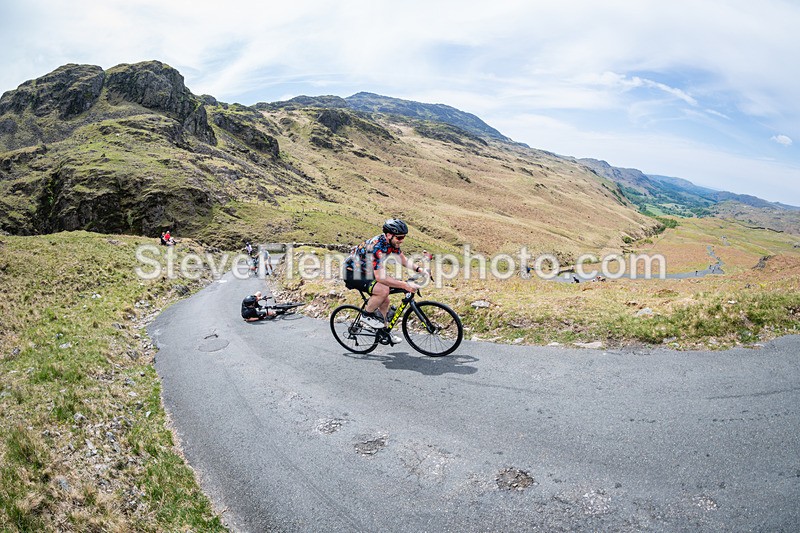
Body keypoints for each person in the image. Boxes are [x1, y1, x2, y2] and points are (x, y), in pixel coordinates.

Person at [343, 219, 428, 335]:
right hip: (352, 273)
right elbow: (380, 278)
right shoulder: (376, 247)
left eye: (403, 237)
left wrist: (419, 269)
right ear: (389, 235)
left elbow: (402, 260)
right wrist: (404, 285)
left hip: (366, 271)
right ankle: (366, 316)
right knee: (383, 290)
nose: (401, 241)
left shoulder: (392, 242)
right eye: (399, 238)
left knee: (385, 300)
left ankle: (383, 332)